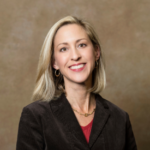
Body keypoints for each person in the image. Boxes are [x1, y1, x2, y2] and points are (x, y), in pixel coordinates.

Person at [16, 16, 137, 150]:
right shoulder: (35, 115)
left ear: (96, 52)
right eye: (63, 49)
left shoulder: (120, 118)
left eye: (82, 45)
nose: (75, 56)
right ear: (54, 62)